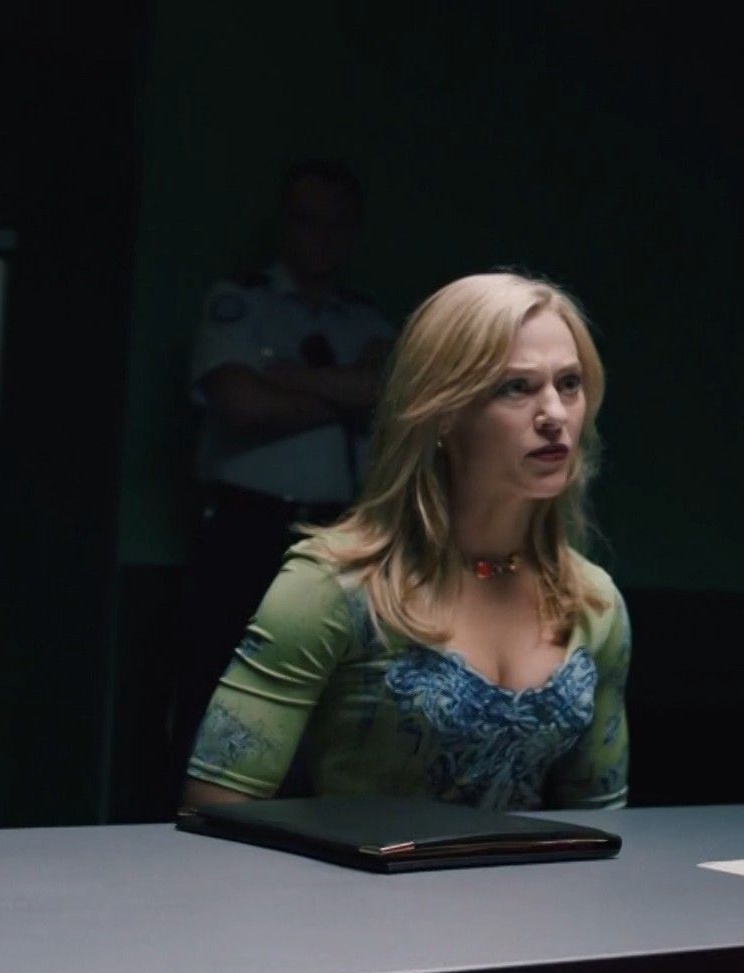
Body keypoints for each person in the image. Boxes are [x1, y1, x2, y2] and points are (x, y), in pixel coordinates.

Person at [179, 271, 628, 814]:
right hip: (347, 872)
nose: (555, 414)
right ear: (443, 411)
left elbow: (603, 828)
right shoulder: (333, 587)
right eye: (516, 386)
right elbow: (213, 813)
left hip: (534, 874)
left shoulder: (592, 603)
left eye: (570, 384)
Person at [165, 159, 396, 802]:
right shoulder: (240, 303)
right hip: (248, 527)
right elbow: (242, 405)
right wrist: (348, 394)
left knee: (331, 704)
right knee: (217, 696)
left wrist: (289, 378)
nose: (322, 236)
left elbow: (392, 400)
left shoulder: (368, 322)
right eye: (308, 219)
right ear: (283, 224)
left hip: (342, 533)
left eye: (338, 223)